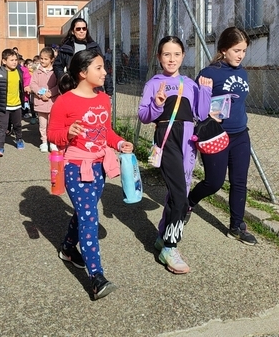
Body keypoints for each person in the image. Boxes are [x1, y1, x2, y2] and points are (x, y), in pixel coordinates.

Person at [47, 49, 134, 300]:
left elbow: (106, 131)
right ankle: (96, 277)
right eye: (99, 68)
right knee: (89, 216)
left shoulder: (103, 99)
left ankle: (66, 248)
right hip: (76, 167)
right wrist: (68, 133)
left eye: (104, 67)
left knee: (85, 211)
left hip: (99, 167)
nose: (105, 72)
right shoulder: (64, 101)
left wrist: (119, 144)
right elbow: (52, 135)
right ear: (82, 73)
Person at [138, 36, 213, 274]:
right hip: (166, 137)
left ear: (183, 56)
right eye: (166, 54)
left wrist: (206, 91)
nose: (172, 59)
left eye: (176, 54)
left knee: (178, 192)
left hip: (188, 140)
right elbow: (143, 115)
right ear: (159, 57)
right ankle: (170, 246)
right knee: (181, 197)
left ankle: (162, 236)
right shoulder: (153, 83)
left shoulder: (190, 83)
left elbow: (201, 114)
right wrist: (158, 104)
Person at [186, 27, 257, 245]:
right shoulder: (209, 74)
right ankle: (189, 201)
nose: (240, 55)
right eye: (237, 50)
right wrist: (207, 113)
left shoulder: (242, 72)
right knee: (214, 183)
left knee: (239, 182)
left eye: (244, 51)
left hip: (240, 135)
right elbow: (195, 107)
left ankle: (236, 226)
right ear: (223, 50)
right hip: (216, 135)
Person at [53, 17, 112, 95]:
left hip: (93, 88)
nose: (81, 31)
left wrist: (109, 90)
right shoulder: (66, 48)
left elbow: (103, 67)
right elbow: (57, 66)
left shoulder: (94, 47)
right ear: (73, 31)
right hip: (73, 88)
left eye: (84, 28)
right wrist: (64, 80)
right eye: (78, 29)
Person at [29, 47, 59, 152]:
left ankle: (53, 142)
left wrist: (49, 93)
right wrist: (40, 94)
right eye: (41, 58)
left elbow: (59, 85)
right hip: (40, 102)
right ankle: (44, 142)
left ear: (51, 59)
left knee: (53, 125)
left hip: (52, 103)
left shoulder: (56, 71)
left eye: (45, 59)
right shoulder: (37, 72)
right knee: (42, 125)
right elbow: (33, 84)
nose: (42, 61)